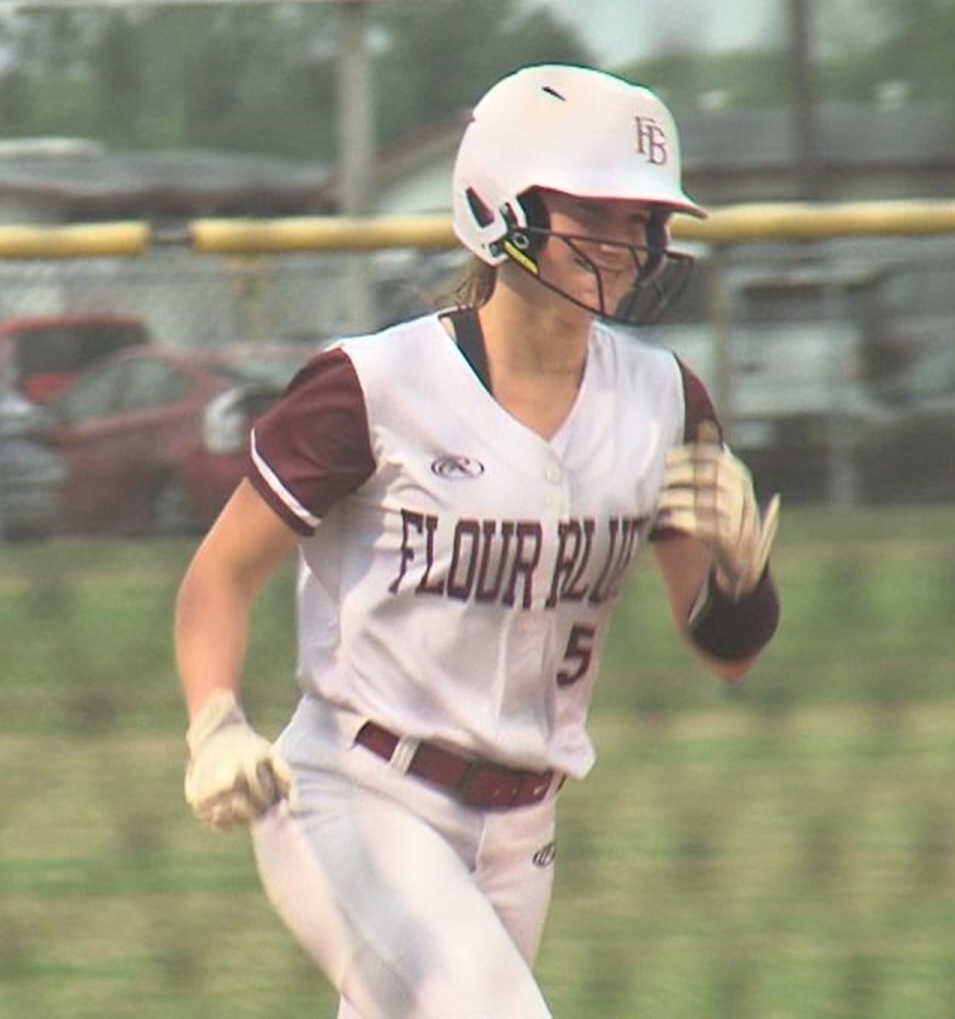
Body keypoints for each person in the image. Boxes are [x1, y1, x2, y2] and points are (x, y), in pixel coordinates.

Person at [173, 64, 782, 1017]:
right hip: (360, 792)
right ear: (504, 204)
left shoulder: (661, 399)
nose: (629, 244)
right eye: (601, 211)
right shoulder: (373, 388)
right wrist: (214, 723)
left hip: (523, 825)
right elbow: (219, 577)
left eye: (642, 221)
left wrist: (745, 583)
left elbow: (726, 657)